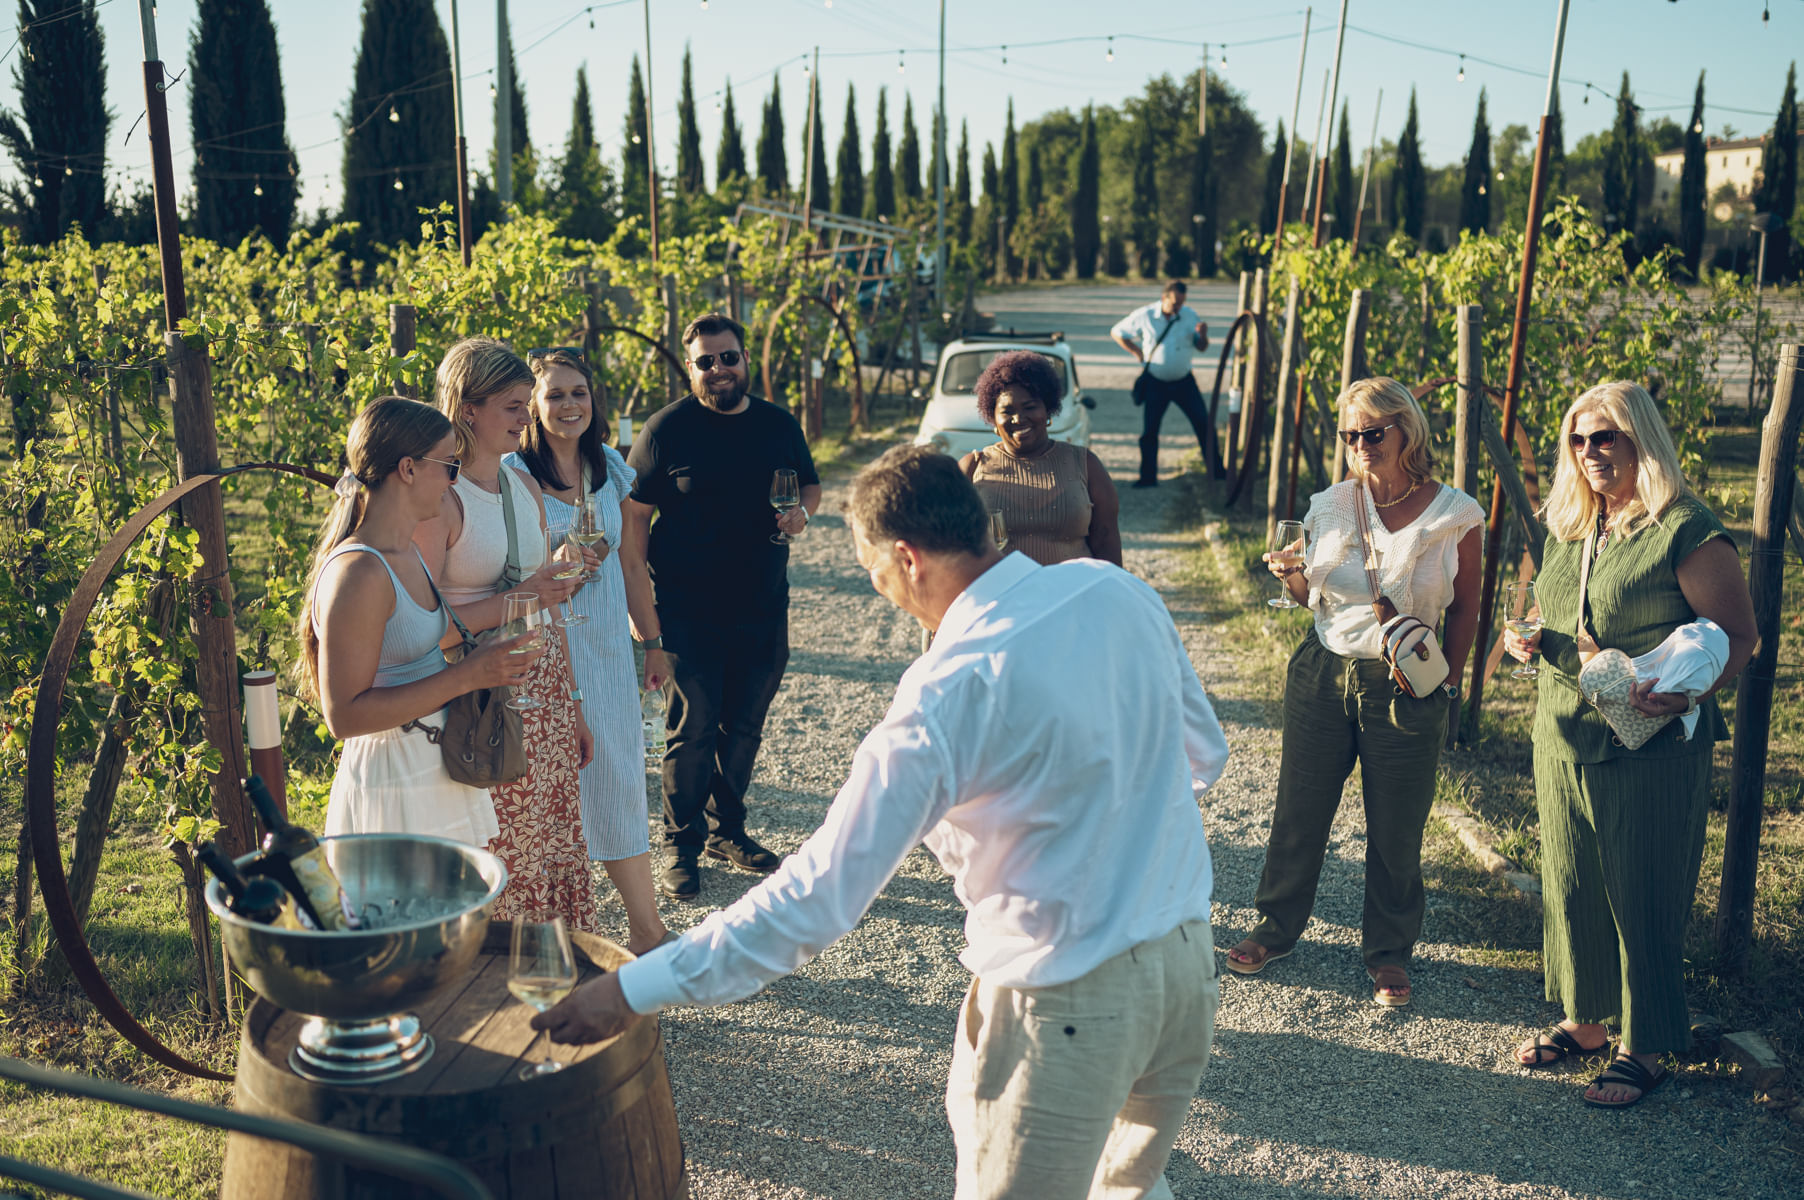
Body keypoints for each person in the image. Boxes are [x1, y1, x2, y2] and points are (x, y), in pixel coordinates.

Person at [535, 445, 1229, 1199]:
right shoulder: (1116, 593)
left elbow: (815, 898)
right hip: (1185, 971)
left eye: (873, 570)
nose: (878, 588)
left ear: (907, 557)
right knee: (1131, 1188)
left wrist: (636, 987)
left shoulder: (944, 694)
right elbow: (1205, 754)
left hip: (1062, 1000)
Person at [1505, 381, 1754, 1109]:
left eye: (1605, 437)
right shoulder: (1571, 522)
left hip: (1648, 739)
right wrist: (1526, 640)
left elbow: (1742, 638)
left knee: (1641, 887)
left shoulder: (1686, 529)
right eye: (1578, 440)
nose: (1590, 453)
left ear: (1641, 439)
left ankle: (1644, 1044)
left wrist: (1691, 693)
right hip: (1562, 730)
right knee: (1574, 879)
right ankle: (1584, 1023)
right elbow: (1550, 609)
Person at [1225, 377, 1483, 1008]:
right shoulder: (1331, 503)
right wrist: (1289, 576)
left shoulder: (1455, 513)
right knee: (1299, 810)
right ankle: (1276, 927)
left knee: (1397, 826)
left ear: (1406, 432)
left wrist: (1446, 680)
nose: (1360, 444)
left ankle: (1389, 954)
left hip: (1404, 682)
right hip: (1322, 669)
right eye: (1350, 434)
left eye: (1373, 432)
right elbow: (1310, 596)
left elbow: (1469, 606)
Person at [621, 312, 820, 902]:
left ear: (744, 358)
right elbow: (633, 521)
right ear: (691, 368)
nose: (718, 369)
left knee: (745, 726)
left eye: (727, 357)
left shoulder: (778, 424)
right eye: (705, 361)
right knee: (693, 727)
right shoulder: (664, 432)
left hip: (763, 604)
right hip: (687, 609)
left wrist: (802, 513)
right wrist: (643, 612)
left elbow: (808, 484)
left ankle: (727, 831)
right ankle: (680, 843)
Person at [415, 337, 600, 931]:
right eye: (514, 406)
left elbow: (544, 602)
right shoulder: (439, 500)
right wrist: (522, 599)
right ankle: (498, 983)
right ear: (468, 408)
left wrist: (572, 704)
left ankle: (553, 971)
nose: (528, 418)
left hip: (541, 686)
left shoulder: (523, 489)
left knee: (549, 839)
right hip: (479, 694)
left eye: (527, 404)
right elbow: (420, 626)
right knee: (501, 849)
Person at [298, 395, 539, 846]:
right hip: (394, 781)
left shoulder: (408, 552)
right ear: (407, 469)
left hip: (434, 766)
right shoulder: (359, 573)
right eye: (449, 465)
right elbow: (344, 717)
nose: (454, 481)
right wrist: (466, 676)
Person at [509, 348, 672, 956]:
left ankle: (645, 926)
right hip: (547, 644)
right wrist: (559, 568)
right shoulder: (512, 474)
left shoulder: (609, 465)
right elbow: (512, 574)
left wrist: (651, 641)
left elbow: (632, 560)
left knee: (621, 779)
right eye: (555, 395)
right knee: (557, 790)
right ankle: (565, 937)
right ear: (531, 405)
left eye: (578, 392)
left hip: (603, 643)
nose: (569, 405)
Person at [958, 349, 1122, 566]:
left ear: (1047, 411)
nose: (1019, 418)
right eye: (1007, 411)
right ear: (993, 418)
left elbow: (1106, 539)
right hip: (1004, 596)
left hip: (1070, 593)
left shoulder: (1084, 464)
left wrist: (1111, 594)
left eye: (1030, 407)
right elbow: (954, 547)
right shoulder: (972, 468)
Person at [1109, 279, 1211, 489]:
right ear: (1164, 298)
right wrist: (1137, 352)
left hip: (1184, 381)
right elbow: (1117, 332)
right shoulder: (1145, 315)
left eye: (1181, 303)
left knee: (1203, 423)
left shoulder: (1189, 315)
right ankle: (1148, 477)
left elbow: (1201, 347)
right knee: (1150, 431)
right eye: (1175, 303)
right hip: (1157, 382)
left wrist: (1203, 336)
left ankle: (1216, 470)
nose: (1178, 308)